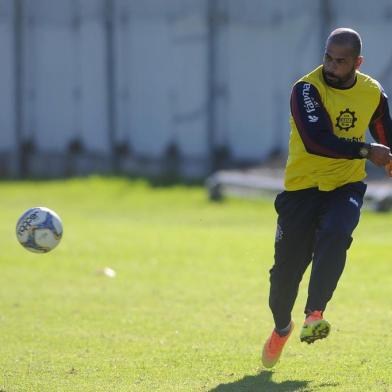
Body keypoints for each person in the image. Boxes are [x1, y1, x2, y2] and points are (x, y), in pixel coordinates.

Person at [261, 27, 392, 369]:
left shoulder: (373, 94)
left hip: (345, 188)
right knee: (283, 278)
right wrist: (366, 150)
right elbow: (316, 141)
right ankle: (282, 326)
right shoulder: (306, 89)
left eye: (341, 61)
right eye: (328, 59)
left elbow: (386, 139)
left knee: (336, 233)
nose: (332, 67)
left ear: (357, 62)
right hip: (301, 191)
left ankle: (314, 314)